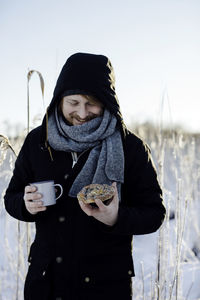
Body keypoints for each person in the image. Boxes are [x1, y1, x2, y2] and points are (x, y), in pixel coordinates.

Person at [4, 52, 166, 300]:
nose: (82, 112)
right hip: (46, 282)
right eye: (73, 102)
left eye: (92, 102)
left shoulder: (129, 146)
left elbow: (154, 213)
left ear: (108, 100)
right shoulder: (39, 140)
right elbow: (11, 197)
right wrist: (25, 205)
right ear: (60, 99)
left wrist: (116, 217)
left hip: (106, 286)